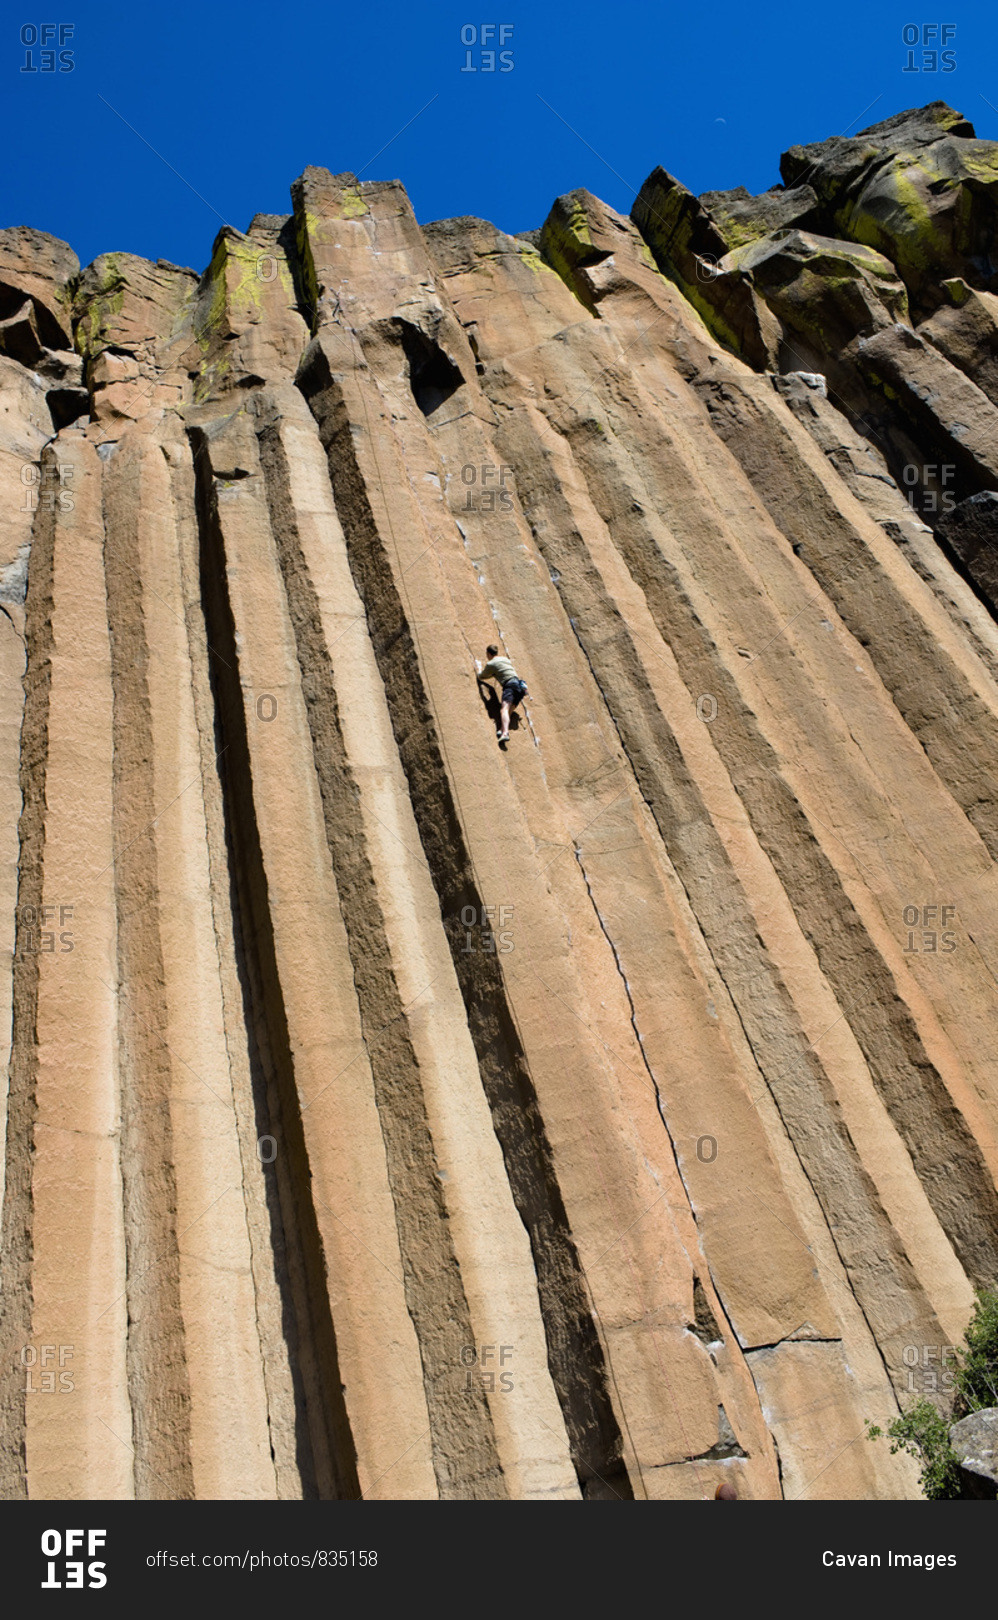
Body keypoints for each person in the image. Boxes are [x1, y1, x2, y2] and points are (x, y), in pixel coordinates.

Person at [475, 644, 528, 743]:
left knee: (503, 710)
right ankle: (501, 730)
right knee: (508, 712)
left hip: (510, 686)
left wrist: (478, 674)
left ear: (488, 653)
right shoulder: (505, 659)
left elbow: (482, 676)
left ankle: (505, 733)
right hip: (520, 687)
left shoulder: (491, 664)